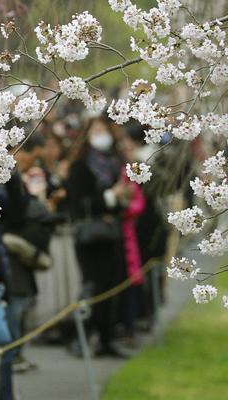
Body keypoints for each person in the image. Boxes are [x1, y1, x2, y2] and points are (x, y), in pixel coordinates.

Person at [66, 115, 131, 358]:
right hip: (89, 236)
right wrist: (110, 197)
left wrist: (120, 198)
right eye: (96, 130)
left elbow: (118, 204)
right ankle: (80, 335)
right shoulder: (81, 166)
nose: (101, 134)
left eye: (105, 129)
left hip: (110, 233)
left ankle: (106, 337)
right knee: (91, 286)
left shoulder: (115, 164)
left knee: (111, 285)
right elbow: (79, 203)